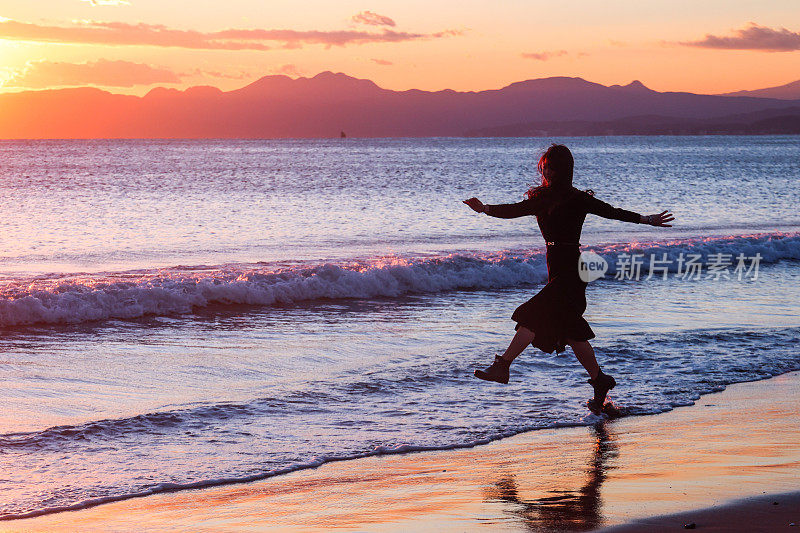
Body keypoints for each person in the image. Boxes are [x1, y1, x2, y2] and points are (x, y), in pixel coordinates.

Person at [463, 144, 673, 414]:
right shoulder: (542, 199)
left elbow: (612, 211)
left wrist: (647, 219)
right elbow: (514, 210)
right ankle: (600, 383)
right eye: (544, 166)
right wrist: (485, 209)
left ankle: (503, 366)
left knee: (531, 315)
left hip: (571, 273)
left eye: (548, 166)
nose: (544, 170)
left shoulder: (576, 198)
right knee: (573, 333)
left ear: (559, 169)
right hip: (560, 269)